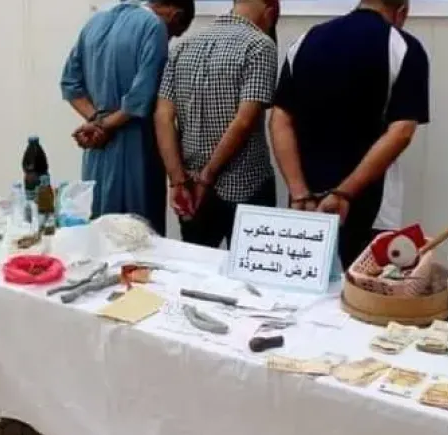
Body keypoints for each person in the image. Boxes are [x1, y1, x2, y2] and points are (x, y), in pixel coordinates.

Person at [269, 0, 430, 267]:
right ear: (402, 11)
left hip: (306, 207)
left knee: (302, 283)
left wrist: (299, 193)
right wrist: (343, 194)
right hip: (369, 208)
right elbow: (401, 131)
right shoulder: (403, 47)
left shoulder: (307, 40)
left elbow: (280, 119)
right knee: (361, 289)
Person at [60, 0, 195, 236]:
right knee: (140, 236)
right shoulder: (154, 27)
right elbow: (141, 97)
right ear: (175, 16)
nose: (169, 39)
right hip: (136, 149)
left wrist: (96, 122)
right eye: (175, 34)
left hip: (97, 149)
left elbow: (70, 85)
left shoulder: (95, 22)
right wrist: (104, 125)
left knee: (101, 233)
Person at [155, 0, 280, 248]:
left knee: (197, 266)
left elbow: (162, 116)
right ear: (271, 11)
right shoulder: (259, 45)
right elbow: (244, 120)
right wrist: (207, 177)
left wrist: (177, 180)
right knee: (249, 267)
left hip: (191, 188)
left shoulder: (184, 45)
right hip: (246, 183)